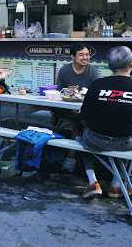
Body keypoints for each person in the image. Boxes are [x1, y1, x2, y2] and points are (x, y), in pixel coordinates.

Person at [79, 46, 132, 199]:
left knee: (81, 138)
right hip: (125, 142)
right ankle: (116, 186)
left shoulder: (97, 85)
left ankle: (93, 182)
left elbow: (84, 115)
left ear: (110, 66)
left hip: (95, 140)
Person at [52, 43, 100, 172]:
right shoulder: (64, 70)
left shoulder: (93, 71)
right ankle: (69, 156)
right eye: (81, 55)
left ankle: (72, 157)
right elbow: (60, 92)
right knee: (62, 115)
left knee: (79, 122)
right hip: (67, 108)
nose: (85, 57)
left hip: (86, 110)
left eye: (87, 54)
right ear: (73, 57)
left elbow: (95, 95)